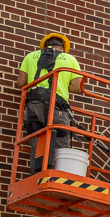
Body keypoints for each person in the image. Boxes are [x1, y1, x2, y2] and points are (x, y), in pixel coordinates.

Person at [16, 32, 83, 171]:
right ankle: (56, 175)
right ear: (63, 47)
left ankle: (37, 175)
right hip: (56, 108)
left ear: (45, 45)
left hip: (33, 108)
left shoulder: (30, 56)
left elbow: (20, 83)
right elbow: (78, 87)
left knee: (38, 144)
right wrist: (62, 84)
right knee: (60, 142)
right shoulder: (70, 59)